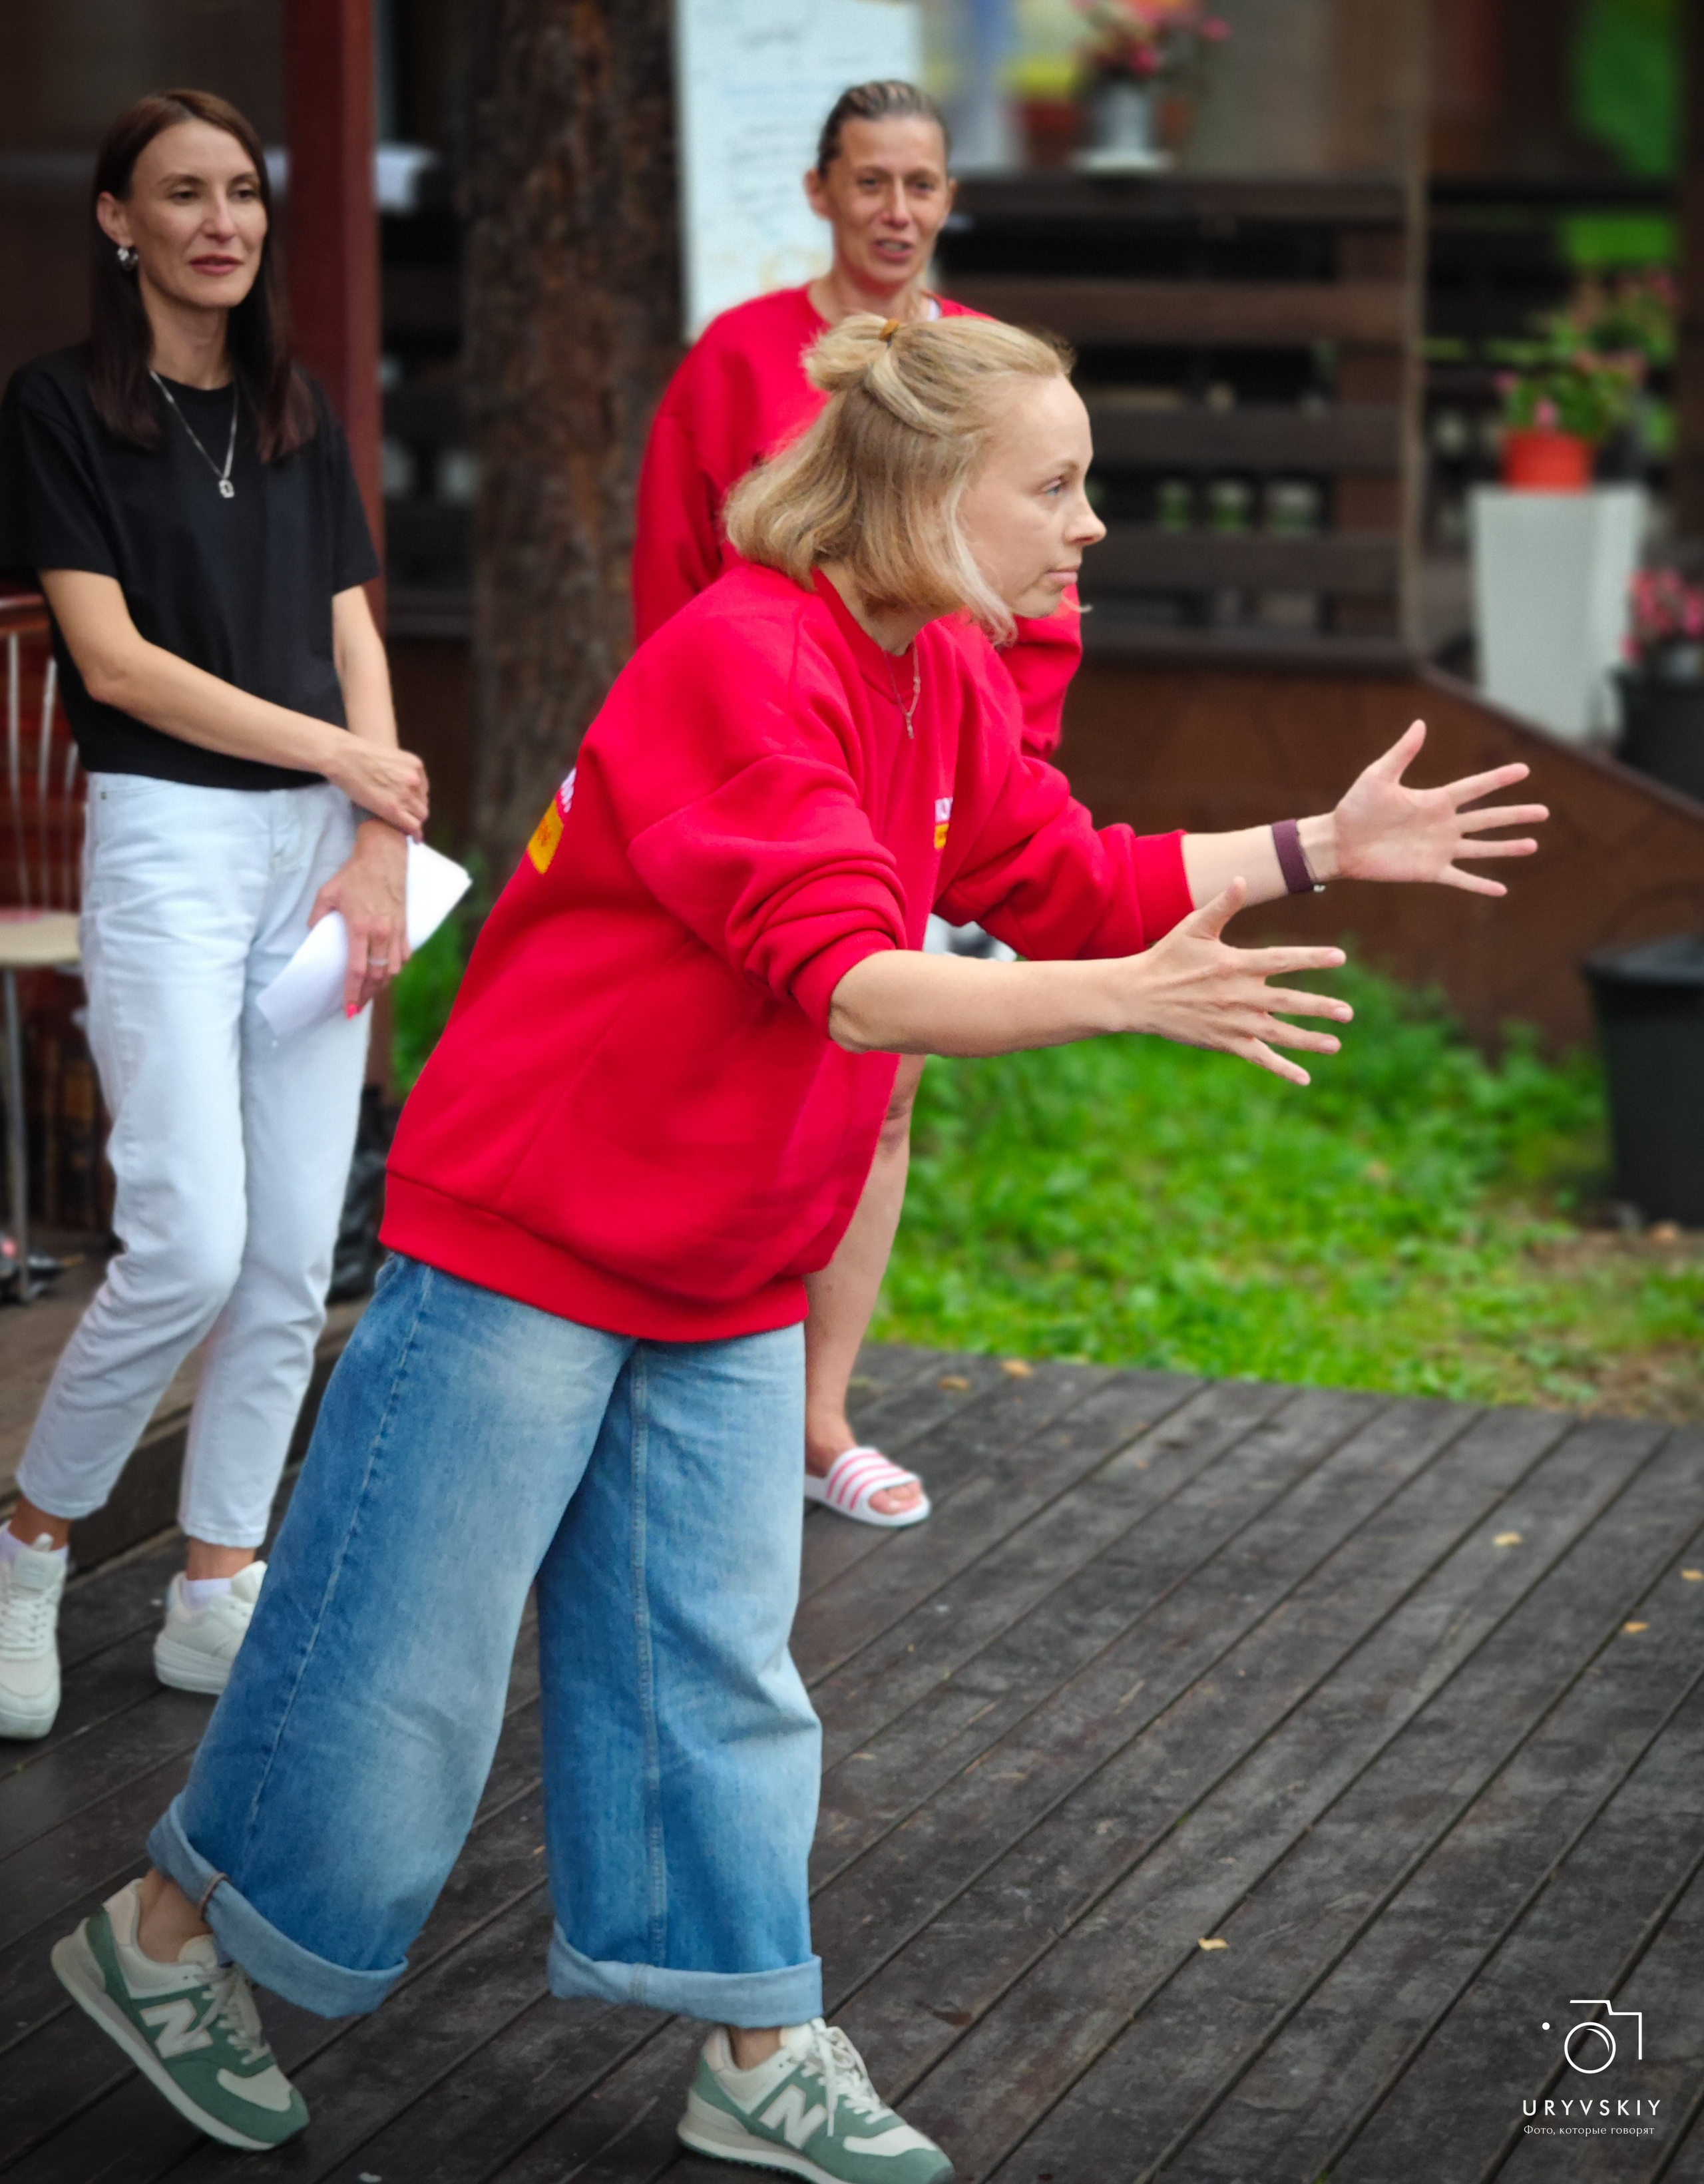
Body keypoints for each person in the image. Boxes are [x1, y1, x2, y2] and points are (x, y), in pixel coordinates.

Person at [50, 314, 1544, 2181]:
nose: (1089, 525)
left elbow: (1065, 874)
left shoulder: (938, 671)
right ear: (925, 492)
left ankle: (758, 2041)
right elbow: (852, 983)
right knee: (398, 1666)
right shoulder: (745, 663)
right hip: (533, 1234)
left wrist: (1313, 842)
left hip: (727, 1255)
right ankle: (163, 1939)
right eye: (1056, 487)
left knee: (716, 1672)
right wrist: (1121, 999)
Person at [0, 90, 428, 1741]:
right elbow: (111, 664)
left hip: (317, 848)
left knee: (291, 1251)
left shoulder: (291, 407)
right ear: (119, 221)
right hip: (171, 840)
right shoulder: (56, 408)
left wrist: (376, 833)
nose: (220, 222)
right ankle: (31, 1546)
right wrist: (339, 755)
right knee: (187, 1238)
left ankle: (214, 1587)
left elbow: (353, 630)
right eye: (181, 194)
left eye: (241, 192)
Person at [637, 77, 1083, 1529]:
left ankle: (816, 1414)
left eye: (922, 183)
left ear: (951, 199)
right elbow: (677, 583)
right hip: (768, 784)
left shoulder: (989, 371)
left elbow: (1038, 620)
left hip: (929, 792)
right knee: (746, 1078)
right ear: (820, 191)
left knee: (878, 1094)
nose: (897, 210)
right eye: (871, 180)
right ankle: (697, 1384)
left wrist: (980, 786)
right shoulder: (737, 357)